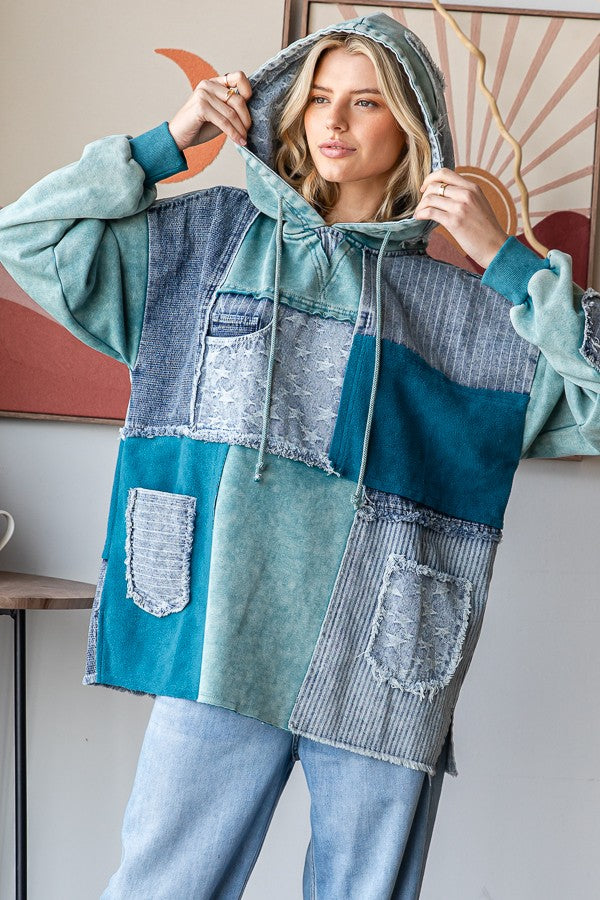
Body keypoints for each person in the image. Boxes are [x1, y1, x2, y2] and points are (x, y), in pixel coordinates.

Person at [1, 10, 600, 899]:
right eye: (319, 98)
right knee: (160, 886)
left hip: (385, 652)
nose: (334, 121)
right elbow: (27, 237)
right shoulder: (206, 241)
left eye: (366, 102)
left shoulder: (470, 312)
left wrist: (507, 263)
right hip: (220, 636)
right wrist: (167, 143)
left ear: (412, 128)